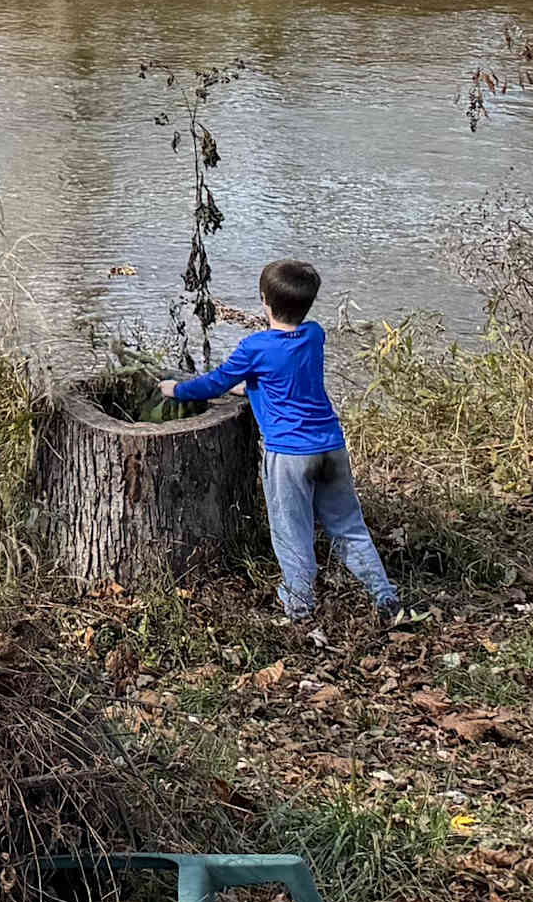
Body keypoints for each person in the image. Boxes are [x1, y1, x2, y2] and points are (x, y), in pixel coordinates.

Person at [158, 258, 402, 641]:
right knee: (349, 527)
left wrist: (176, 390)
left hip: (289, 455)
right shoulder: (315, 335)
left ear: (264, 303)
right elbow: (286, 377)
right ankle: (385, 598)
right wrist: (253, 386)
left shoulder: (255, 347)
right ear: (308, 305)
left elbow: (214, 383)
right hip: (330, 446)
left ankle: (300, 608)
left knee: (292, 532)